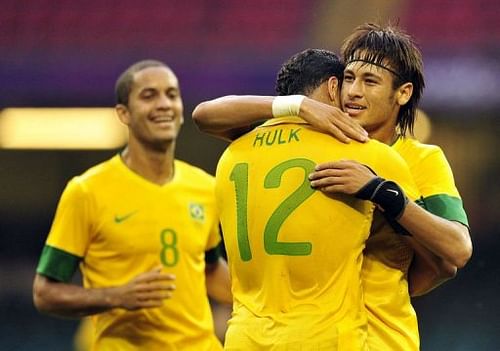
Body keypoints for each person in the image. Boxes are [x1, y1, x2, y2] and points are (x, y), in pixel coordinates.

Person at [192, 24, 472, 350]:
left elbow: (453, 254)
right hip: (323, 334)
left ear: (403, 93)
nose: (353, 91)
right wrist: (297, 104)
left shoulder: (420, 158)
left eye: (369, 81)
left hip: (380, 338)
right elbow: (207, 114)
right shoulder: (317, 146)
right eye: (349, 79)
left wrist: (383, 194)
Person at [209, 48, 419, 350]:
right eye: (346, 82)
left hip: (244, 337)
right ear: (333, 87)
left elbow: (205, 115)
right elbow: (428, 251)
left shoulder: (231, 155)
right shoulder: (365, 152)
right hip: (324, 337)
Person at [33, 59, 232, 350]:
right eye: (149, 96)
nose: (164, 104)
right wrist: (115, 296)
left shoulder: (205, 186)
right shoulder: (86, 191)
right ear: (123, 114)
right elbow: (44, 293)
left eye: (171, 94)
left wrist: (263, 300)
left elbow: (210, 269)